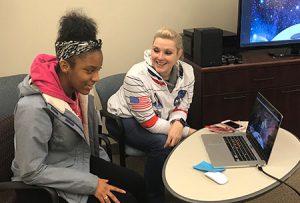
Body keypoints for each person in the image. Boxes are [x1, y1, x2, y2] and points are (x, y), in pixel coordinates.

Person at [11, 10, 146, 203]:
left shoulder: (80, 93)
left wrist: (107, 173)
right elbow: (30, 171)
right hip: (45, 184)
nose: (96, 78)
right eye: (90, 71)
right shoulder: (33, 108)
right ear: (65, 66)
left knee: (137, 183)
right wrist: (92, 184)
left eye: (98, 70)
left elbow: (89, 141)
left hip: (77, 162)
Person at [107, 27, 196, 203]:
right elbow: (149, 123)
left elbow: (182, 104)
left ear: (179, 54)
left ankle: (180, 185)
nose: (160, 57)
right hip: (125, 118)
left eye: (168, 52)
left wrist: (178, 123)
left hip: (160, 115)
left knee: (176, 137)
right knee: (161, 144)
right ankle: (153, 196)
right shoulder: (136, 76)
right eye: (156, 50)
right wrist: (186, 131)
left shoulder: (187, 72)